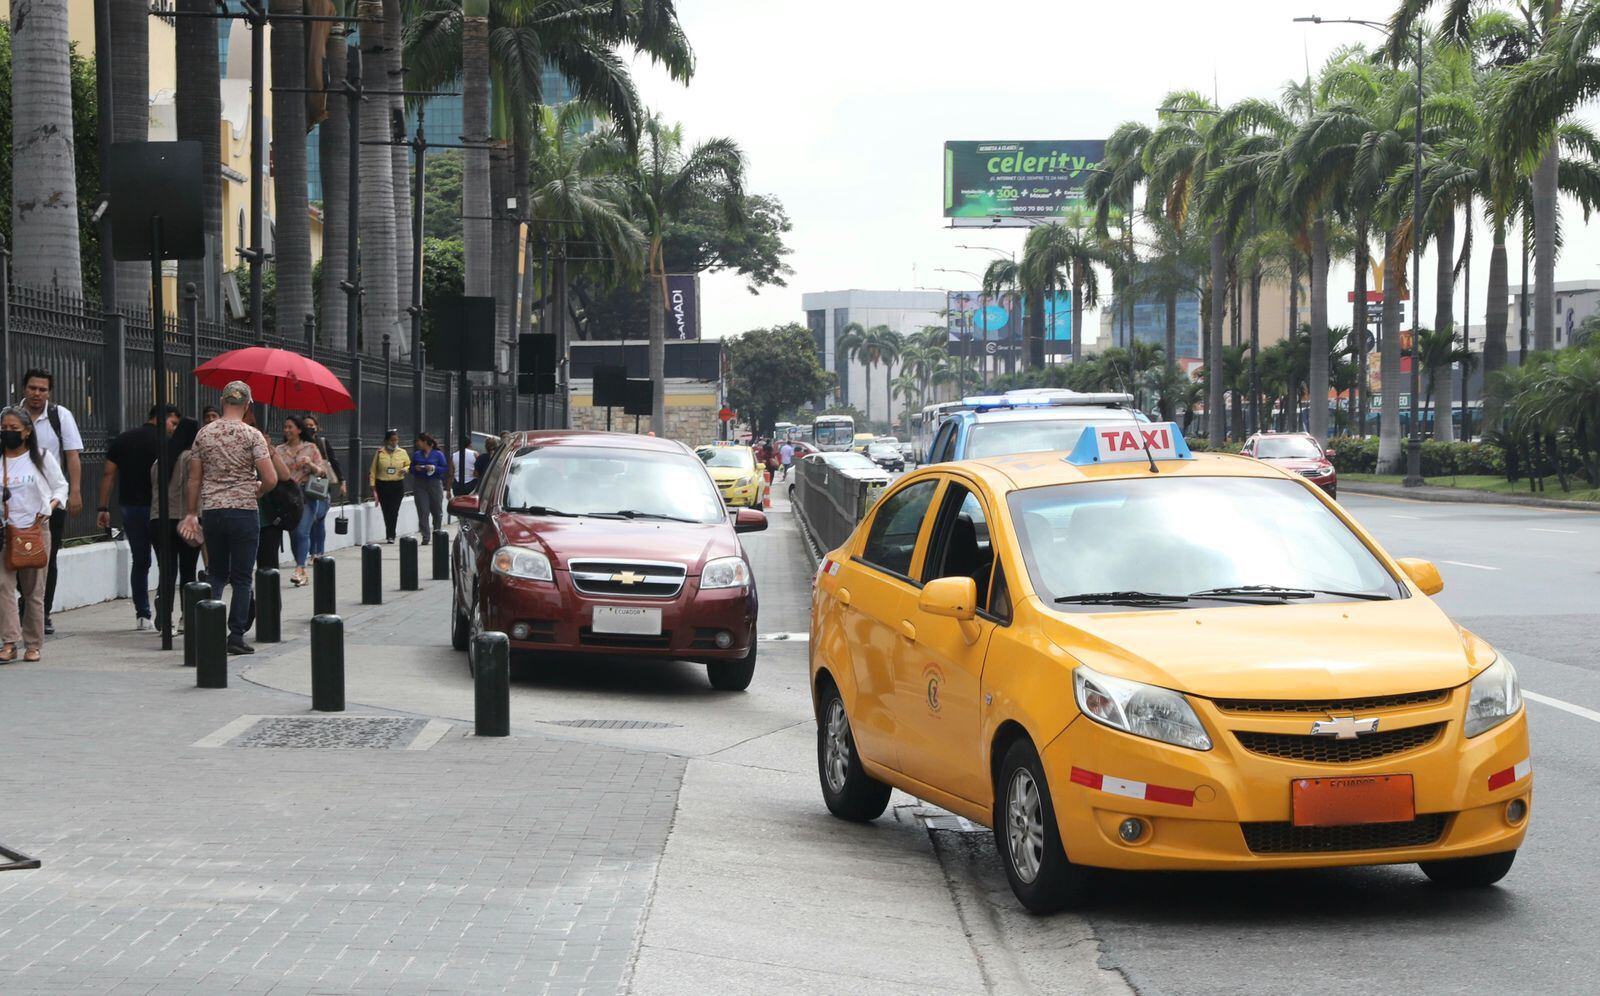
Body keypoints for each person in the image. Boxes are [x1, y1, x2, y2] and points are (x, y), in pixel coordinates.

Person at [183, 380, 277, 656]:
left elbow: (194, 479)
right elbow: (270, 478)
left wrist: (191, 513)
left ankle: (208, 628)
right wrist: (257, 490)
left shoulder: (204, 434)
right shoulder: (252, 435)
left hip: (213, 511)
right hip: (244, 511)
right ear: (248, 404)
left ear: (223, 401)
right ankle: (235, 635)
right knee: (242, 577)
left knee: (217, 573)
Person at [96, 404, 180, 630]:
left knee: (140, 560)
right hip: (159, 509)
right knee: (167, 561)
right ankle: (164, 609)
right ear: (162, 419)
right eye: (173, 423)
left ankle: (142, 614)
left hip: (130, 507)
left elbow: (108, 474)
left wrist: (102, 507)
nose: (174, 429)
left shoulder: (123, 439)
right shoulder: (167, 444)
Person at [0, 406, 69, 663]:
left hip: (33, 531)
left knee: (33, 591)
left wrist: (49, 508)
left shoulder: (39, 456)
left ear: (27, 432)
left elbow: (61, 487)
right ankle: (9, 641)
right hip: (4, 532)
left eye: (13, 429)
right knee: (3, 586)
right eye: (3, 429)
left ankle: (33, 643)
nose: (7, 433)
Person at [18, 369, 83, 636]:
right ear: (24, 389)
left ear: (49, 392)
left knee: (47, 557)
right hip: (18, 501)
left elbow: (72, 456)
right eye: (33, 388)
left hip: (50, 502)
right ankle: (25, 604)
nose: (37, 394)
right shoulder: (11, 416)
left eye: (42, 390)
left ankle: (42, 612)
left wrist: (75, 492)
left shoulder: (60, 416)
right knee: (15, 557)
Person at [151, 417, 202, 632]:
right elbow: (196, 485)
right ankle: (186, 619)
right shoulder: (191, 458)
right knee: (188, 572)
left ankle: (164, 617)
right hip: (185, 520)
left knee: (167, 571)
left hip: (158, 519)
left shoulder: (160, 459)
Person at [277, 416, 327, 588]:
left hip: (306, 495)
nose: (287, 430)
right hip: (287, 497)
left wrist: (311, 464)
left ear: (299, 430)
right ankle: (302, 570)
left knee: (301, 532)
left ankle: (299, 568)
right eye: (285, 427)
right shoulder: (278, 450)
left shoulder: (311, 447)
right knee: (292, 531)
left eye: (290, 427)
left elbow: (322, 472)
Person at [301, 414, 345, 558]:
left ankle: (318, 551)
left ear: (317, 427)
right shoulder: (300, 444)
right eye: (305, 425)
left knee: (318, 519)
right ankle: (311, 552)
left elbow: (334, 461)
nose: (309, 428)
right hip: (304, 487)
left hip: (321, 486)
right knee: (309, 520)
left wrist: (342, 482)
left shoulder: (322, 443)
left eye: (311, 425)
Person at [369, 429, 410, 544]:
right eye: (392, 440)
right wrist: (373, 486)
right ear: (387, 441)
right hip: (383, 485)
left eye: (396, 440)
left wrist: (405, 469)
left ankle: (391, 534)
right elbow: (373, 470)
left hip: (397, 485)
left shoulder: (402, 452)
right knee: (386, 511)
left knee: (394, 510)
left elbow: (408, 464)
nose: (394, 442)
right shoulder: (380, 453)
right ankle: (389, 532)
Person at [411, 433, 446, 542]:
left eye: (419, 441)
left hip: (434, 483)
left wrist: (434, 468)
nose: (418, 444)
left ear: (425, 442)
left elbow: (444, 468)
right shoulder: (417, 454)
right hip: (420, 484)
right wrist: (415, 468)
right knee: (423, 510)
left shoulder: (438, 454)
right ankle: (425, 536)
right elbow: (410, 468)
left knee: (436, 510)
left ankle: (437, 531)